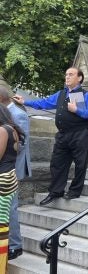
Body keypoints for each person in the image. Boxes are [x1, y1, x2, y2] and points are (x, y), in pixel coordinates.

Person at [13, 67, 88, 205]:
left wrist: (76, 109)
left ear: (80, 78)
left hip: (81, 133)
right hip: (63, 134)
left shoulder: (86, 95)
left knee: (80, 164)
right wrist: (25, 101)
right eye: (66, 74)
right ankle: (56, 192)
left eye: (71, 74)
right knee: (57, 163)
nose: (67, 77)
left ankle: (75, 191)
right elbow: (44, 103)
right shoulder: (61, 94)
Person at [0, 86, 31, 260]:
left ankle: (15, 245)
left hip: (10, 170)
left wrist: (12, 170)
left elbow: (22, 146)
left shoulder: (17, 114)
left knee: (10, 210)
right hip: (7, 169)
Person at [0, 104, 24, 271]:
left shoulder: (2, 130)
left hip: (2, 179)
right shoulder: (12, 129)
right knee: (3, 224)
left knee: (1, 226)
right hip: (10, 177)